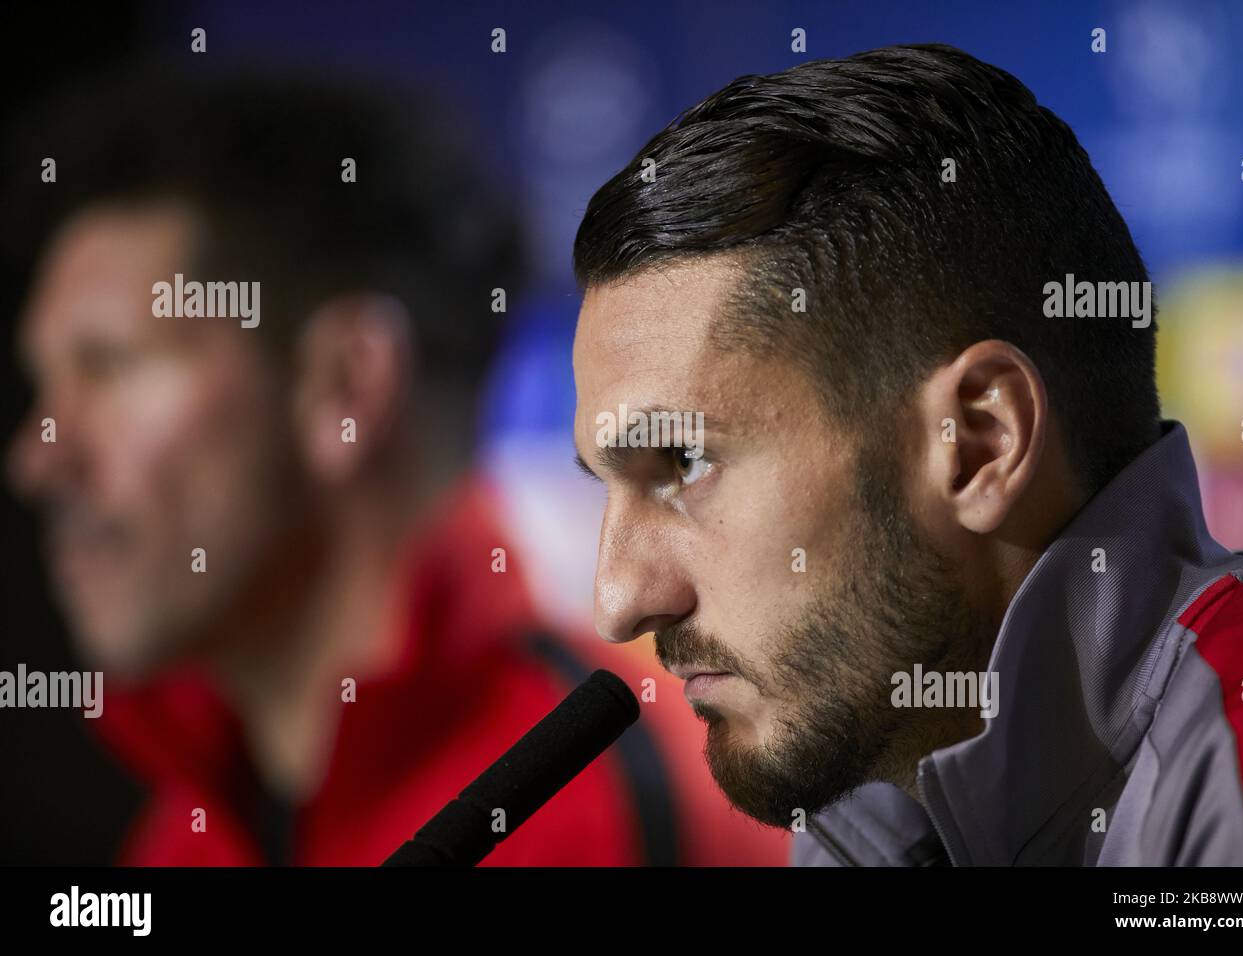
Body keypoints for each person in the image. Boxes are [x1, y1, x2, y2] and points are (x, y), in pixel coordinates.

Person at [5, 67, 785, 865]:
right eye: (44, 385)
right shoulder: (179, 841)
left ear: (345, 383)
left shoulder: (626, 808)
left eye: (108, 367)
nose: (37, 458)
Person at [569, 43, 1243, 865]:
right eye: (606, 484)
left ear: (980, 444)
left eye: (686, 463)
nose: (618, 602)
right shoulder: (864, 789)